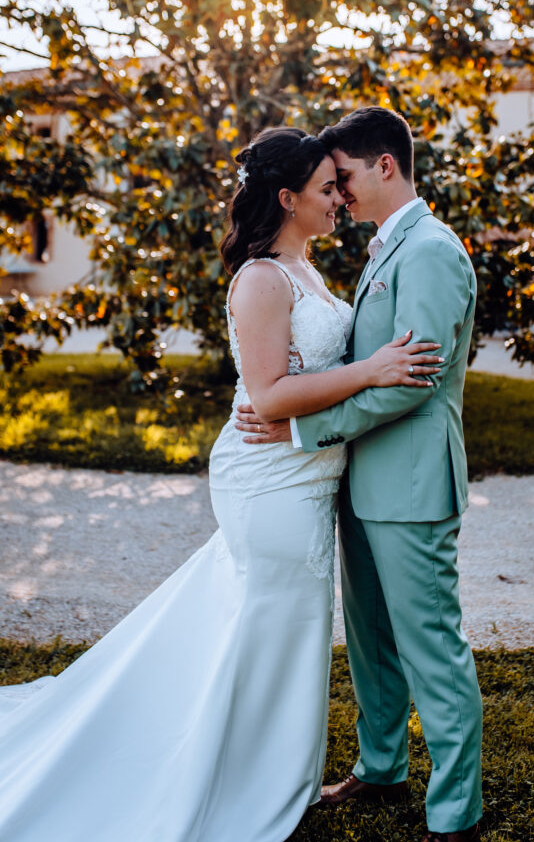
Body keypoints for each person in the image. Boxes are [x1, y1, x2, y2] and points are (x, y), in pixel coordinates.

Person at [0, 127, 442, 842]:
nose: (340, 197)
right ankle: (245, 780)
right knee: (272, 627)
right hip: (270, 480)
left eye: (340, 184)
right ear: (286, 198)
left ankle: (270, 772)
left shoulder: (307, 271)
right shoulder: (262, 278)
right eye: (327, 188)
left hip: (304, 475)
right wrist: (370, 371)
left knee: (280, 631)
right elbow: (267, 398)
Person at [235, 109, 483, 842]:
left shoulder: (430, 250)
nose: (336, 193)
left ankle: (454, 810)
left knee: (429, 643)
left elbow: (415, 380)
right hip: (359, 480)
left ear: (384, 166)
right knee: (372, 640)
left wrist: (302, 427)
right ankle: (381, 767)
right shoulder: (385, 249)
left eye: (341, 177)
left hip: (409, 483)